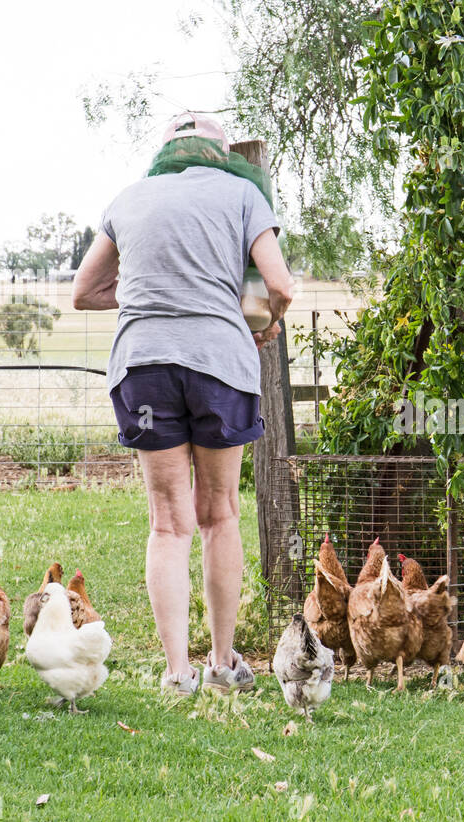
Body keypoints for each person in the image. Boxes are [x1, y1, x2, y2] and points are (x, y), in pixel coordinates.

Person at [73, 112, 294, 697]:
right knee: (219, 512)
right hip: (220, 362)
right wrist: (263, 322)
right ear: (219, 152)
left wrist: (155, 285)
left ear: (164, 153)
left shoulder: (128, 198)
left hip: (143, 366)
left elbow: (85, 291)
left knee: (168, 521)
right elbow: (282, 285)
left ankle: (177, 673)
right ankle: (222, 664)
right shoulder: (244, 192)